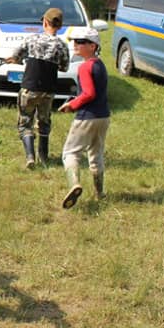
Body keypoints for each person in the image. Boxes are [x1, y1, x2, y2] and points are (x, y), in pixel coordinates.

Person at [6, 7, 70, 169]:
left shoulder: (32, 39)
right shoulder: (62, 45)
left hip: (29, 88)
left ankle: (30, 157)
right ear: (60, 26)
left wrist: (14, 60)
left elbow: (16, 56)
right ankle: (44, 157)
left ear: (45, 22)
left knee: (25, 122)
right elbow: (64, 68)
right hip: (48, 91)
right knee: (44, 122)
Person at [58, 27, 110, 208]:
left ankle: (74, 185)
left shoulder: (85, 66)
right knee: (96, 155)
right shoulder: (100, 64)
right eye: (74, 41)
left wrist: (71, 105)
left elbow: (88, 93)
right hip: (103, 116)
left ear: (93, 46)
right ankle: (99, 193)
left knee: (70, 153)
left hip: (87, 116)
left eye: (80, 42)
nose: (75, 45)